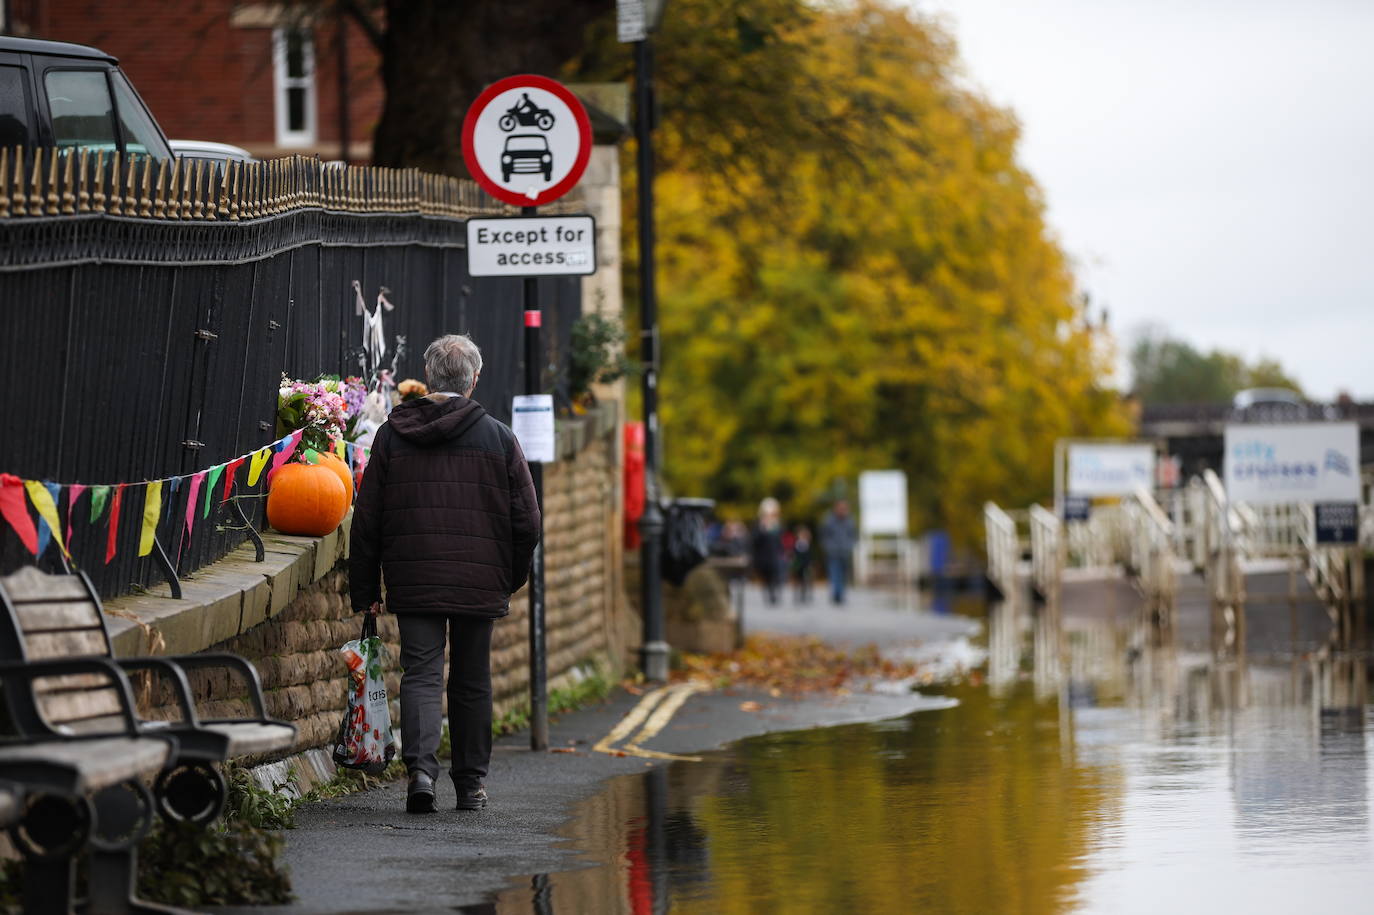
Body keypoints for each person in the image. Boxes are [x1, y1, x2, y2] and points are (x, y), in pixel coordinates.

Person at [350, 333, 540, 814]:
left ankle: (420, 774)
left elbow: (367, 516)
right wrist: (508, 576)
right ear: (474, 380)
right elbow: (528, 522)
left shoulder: (393, 436)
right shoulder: (498, 437)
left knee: (420, 673)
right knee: (473, 678)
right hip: (481, 579)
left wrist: (366, 587)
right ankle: (471, 785)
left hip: (414, 579)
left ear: (430, 378)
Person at [820, 500, 857, 605]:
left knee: (844, 574)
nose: (842, 510)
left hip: (845, 551)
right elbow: (824, 535)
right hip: (833, 552)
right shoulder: (829, 520)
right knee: (834, 573)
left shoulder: (850, 520)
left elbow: (853, 535)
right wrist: (828, 547)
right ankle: (837, 594)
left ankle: (840, 594)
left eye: (844, 508)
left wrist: (850, 545)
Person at [751, 497, 785, 605]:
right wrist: (763, 528)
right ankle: (768, 594)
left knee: (775, 576)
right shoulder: (759, 526)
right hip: (763, 556)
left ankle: (774, 594)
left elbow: (781, 540)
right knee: (766, 577)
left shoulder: (778, 526)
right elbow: (755, 541)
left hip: (775, 555)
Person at [791, 525, 814, 605]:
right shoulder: (796, 545)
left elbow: (810, 556)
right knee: (797, 581)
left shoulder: (808, 545)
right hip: (798, 566)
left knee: (805, 581)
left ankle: (804, 595)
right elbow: (793, 555)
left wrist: (810, 564)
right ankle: (796, 595)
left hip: (806, 566)